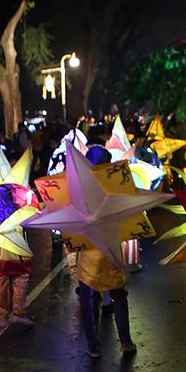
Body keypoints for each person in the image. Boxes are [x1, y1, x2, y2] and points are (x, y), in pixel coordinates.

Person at [75, 144, 136, 359]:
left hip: (89, 255)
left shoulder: (79, 188)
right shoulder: (115, 187)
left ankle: (93, 346)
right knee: (119, 294)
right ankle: (126, 341)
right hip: (111, 250)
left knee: (89, 298)